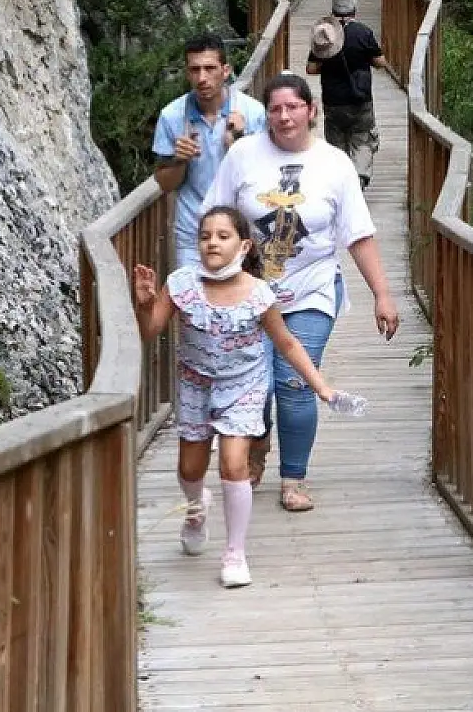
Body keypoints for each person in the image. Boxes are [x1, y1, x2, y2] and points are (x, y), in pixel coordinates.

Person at [132, 206, 362, 588]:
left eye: (223, 236)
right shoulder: (181, 284)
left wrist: (321, 387)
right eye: (206, 236)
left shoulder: (258, 294)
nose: (212, 243)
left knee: (233, 463)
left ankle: (234, 553)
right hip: (195, 383)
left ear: (243, 245)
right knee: (190, 468)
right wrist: (143, 304)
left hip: (244, 385)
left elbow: (287, 343)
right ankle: (195, 509)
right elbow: (150, 329)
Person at [203, 71, 400, 512]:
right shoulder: (243, 157)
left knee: (293, 379)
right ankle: (257, 441)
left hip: (311, 288)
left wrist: (382, 295)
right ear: (266, 115)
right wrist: (209, 279)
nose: (284, 115)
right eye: (275, 108)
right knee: (255, 383)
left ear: (312, 111)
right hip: (250, 291)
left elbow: (358, 235)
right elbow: (215, 217)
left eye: (293, 107)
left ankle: (293, 478)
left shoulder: (336, 165)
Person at [152, 34, 268, 270]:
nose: (202, 78)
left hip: (243, 231)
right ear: (187, 73)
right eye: (195, 70)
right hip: (194, 232)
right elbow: (165, 184)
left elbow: (266, 176)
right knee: (193, 305)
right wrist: (179, 160)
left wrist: (240, 143)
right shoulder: (172, 116)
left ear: (225, 71)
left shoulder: (253, 112)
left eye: (209, 68)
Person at [306, 0, 388, 190]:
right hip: (361, 98)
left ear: (333, 10)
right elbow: (380, 63)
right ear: (354, 9)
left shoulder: (325, 34)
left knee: (336, 141)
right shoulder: (363, 32)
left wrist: (328, 62)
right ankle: (359, 175)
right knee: (362, 139)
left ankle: (340, 180)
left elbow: (311, 68)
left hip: (333, 100)